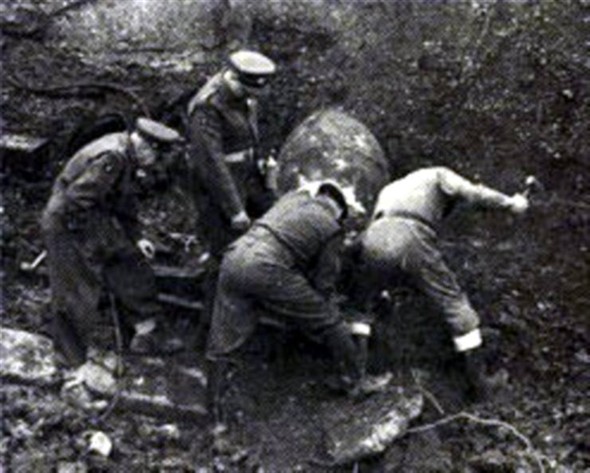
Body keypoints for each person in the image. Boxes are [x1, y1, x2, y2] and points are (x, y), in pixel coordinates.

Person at [206, 179, 384, 434]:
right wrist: (330, 304)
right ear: (339, 209)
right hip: (266, 266)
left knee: (222, 344)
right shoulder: (331, 226)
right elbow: (324, 283)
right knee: (330, 321)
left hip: (234, 257)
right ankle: (356, 381)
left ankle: (215, 421)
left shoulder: (291, 200)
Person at [358, 166, 529, 399]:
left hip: (372, 239)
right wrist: (509, 203)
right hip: (409, 234)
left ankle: (371, 369)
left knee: (374, 302)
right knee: (453, 302)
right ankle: (482, 384)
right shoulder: (437, 174)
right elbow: (472, 193)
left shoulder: (390, 189)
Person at [41, 117, 185, 366]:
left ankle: (146, 331)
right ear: (146, 147)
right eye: (156, 158)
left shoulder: (127, 154)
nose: (154, 166)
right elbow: (76, 201)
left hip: (92, 216)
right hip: (68, 223)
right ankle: (69, 363)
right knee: (76, 292)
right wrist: (90, 244)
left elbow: (124, 202)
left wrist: (136, 237)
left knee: (129, 259)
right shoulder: (113, 157)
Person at [185, 49, 278, 341]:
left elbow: (249, 134)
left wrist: (262, 163)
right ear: (233, 78)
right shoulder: (208, 106)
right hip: (220, 192)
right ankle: (211, 332)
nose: (254, 97)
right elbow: (211, 165)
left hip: (247, 179)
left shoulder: (242, 95)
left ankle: (252, 302)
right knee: (224, 256)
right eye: (250, 89)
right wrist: (234, 209)